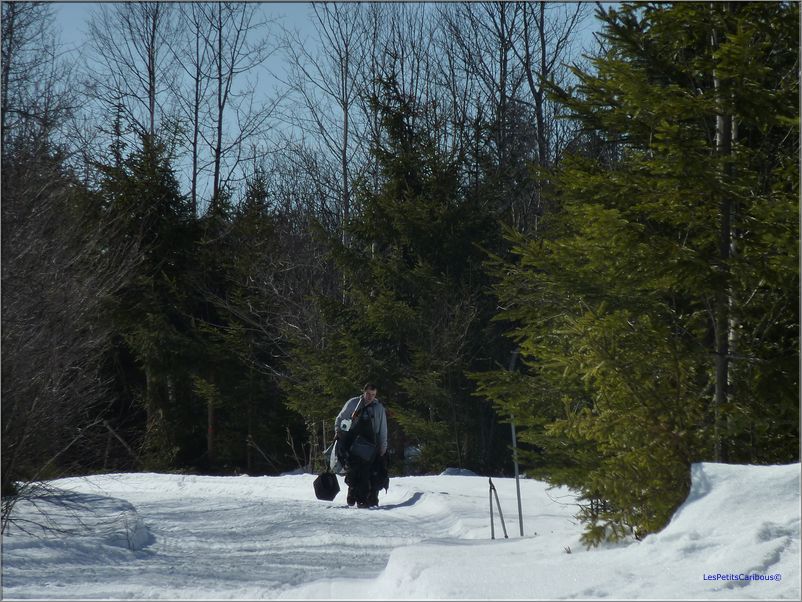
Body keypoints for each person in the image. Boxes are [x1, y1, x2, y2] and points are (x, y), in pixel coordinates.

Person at [334, 383, 388, 508]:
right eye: (368, 394)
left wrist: (383, 447)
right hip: (352, 443)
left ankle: (363, 498)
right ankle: (352, 493)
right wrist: (338, 431)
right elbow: (340, 418)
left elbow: (383, 429)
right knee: (353, 471)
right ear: (364, 392)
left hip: (370, 445)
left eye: (373, 395)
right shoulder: (353, 404)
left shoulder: (378, 408)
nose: (370, 397)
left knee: (367, 472)